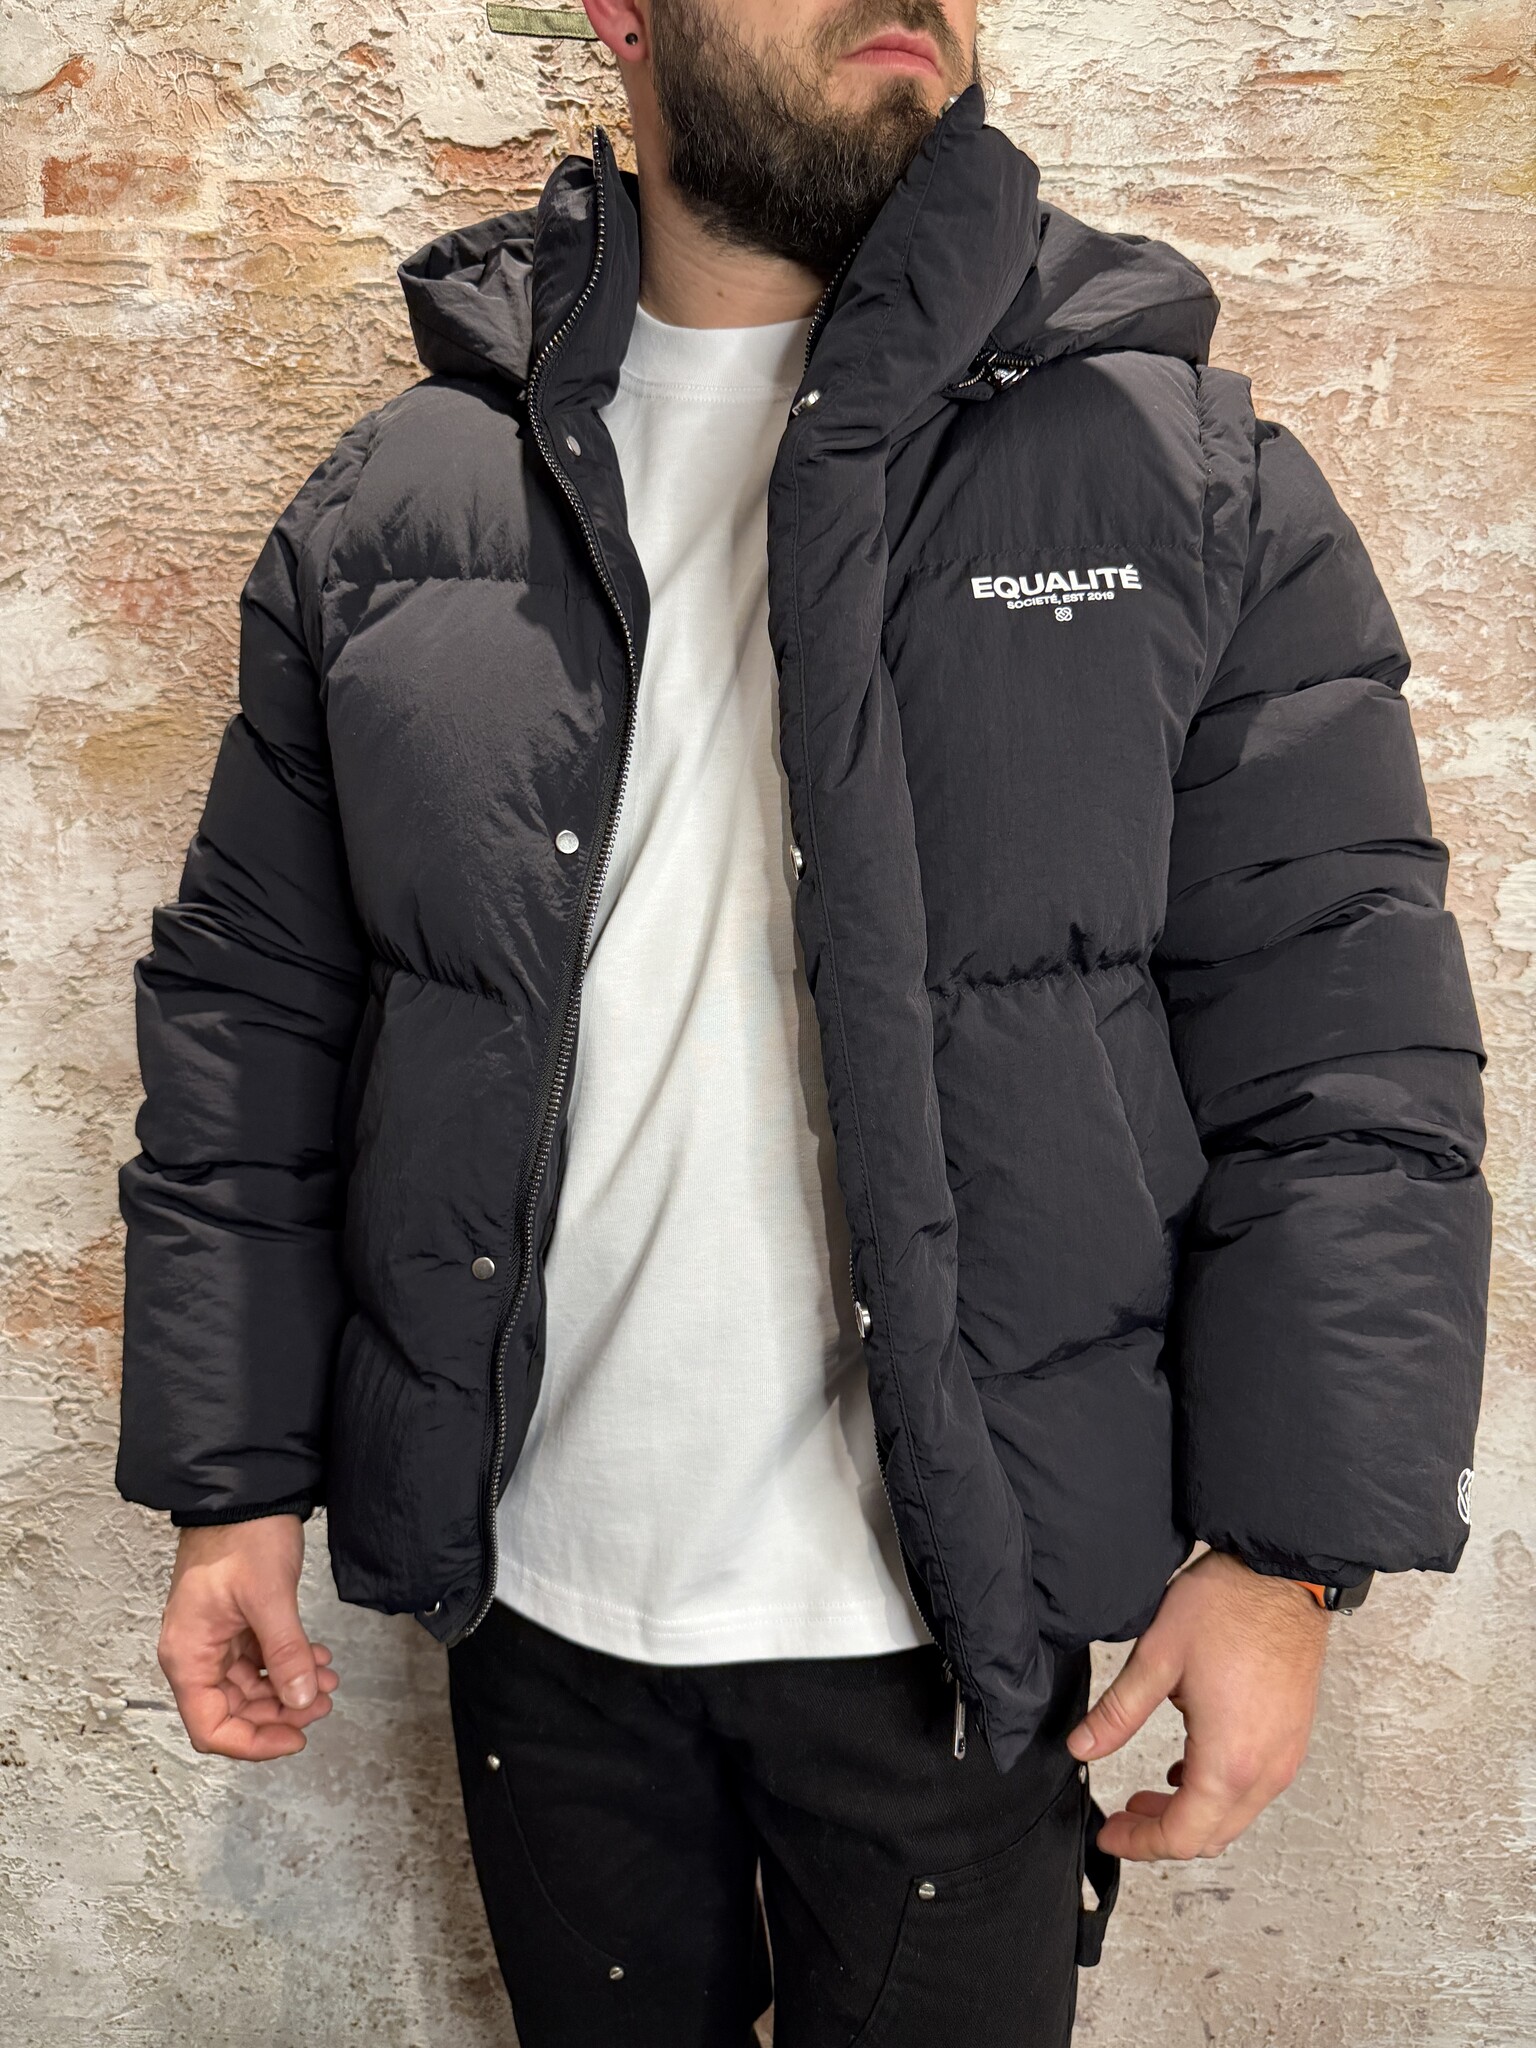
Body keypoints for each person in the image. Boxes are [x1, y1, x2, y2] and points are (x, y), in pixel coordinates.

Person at [115, 2, 1492, 2041]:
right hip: (535, 1616)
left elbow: (1344, 1053)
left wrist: (1287, 1555)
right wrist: (231, 1483)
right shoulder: (402, 501)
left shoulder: (1179, 478)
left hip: (954, 1631)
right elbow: (259, 1022)